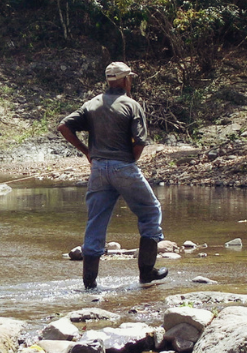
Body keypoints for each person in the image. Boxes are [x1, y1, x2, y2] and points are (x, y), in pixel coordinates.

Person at [57, 61, 168, 289]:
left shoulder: (92, 104)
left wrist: (87, 152)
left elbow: (64, 126)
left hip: (98, 169)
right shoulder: (132, 105)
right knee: (150, 211)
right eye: (131, 79)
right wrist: (131, 161)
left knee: (96, 222)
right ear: (126, 80)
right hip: (123, 167)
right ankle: (147, 274)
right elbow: (139, 141)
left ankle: (89, 284)